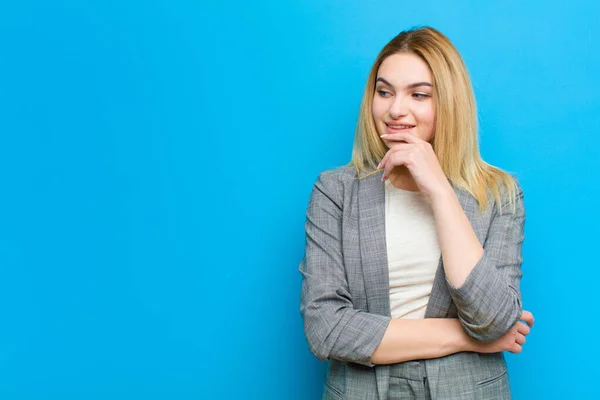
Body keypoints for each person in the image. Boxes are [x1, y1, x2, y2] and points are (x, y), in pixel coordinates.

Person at [298, 26, 535, 400]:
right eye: (384, 91)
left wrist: (440, 191)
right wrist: (470, 339)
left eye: (419, 95)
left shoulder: (500, 195)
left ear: (450, 103)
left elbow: (491, 317)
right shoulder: (335, 191)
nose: (395, 109)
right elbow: (325, 328)